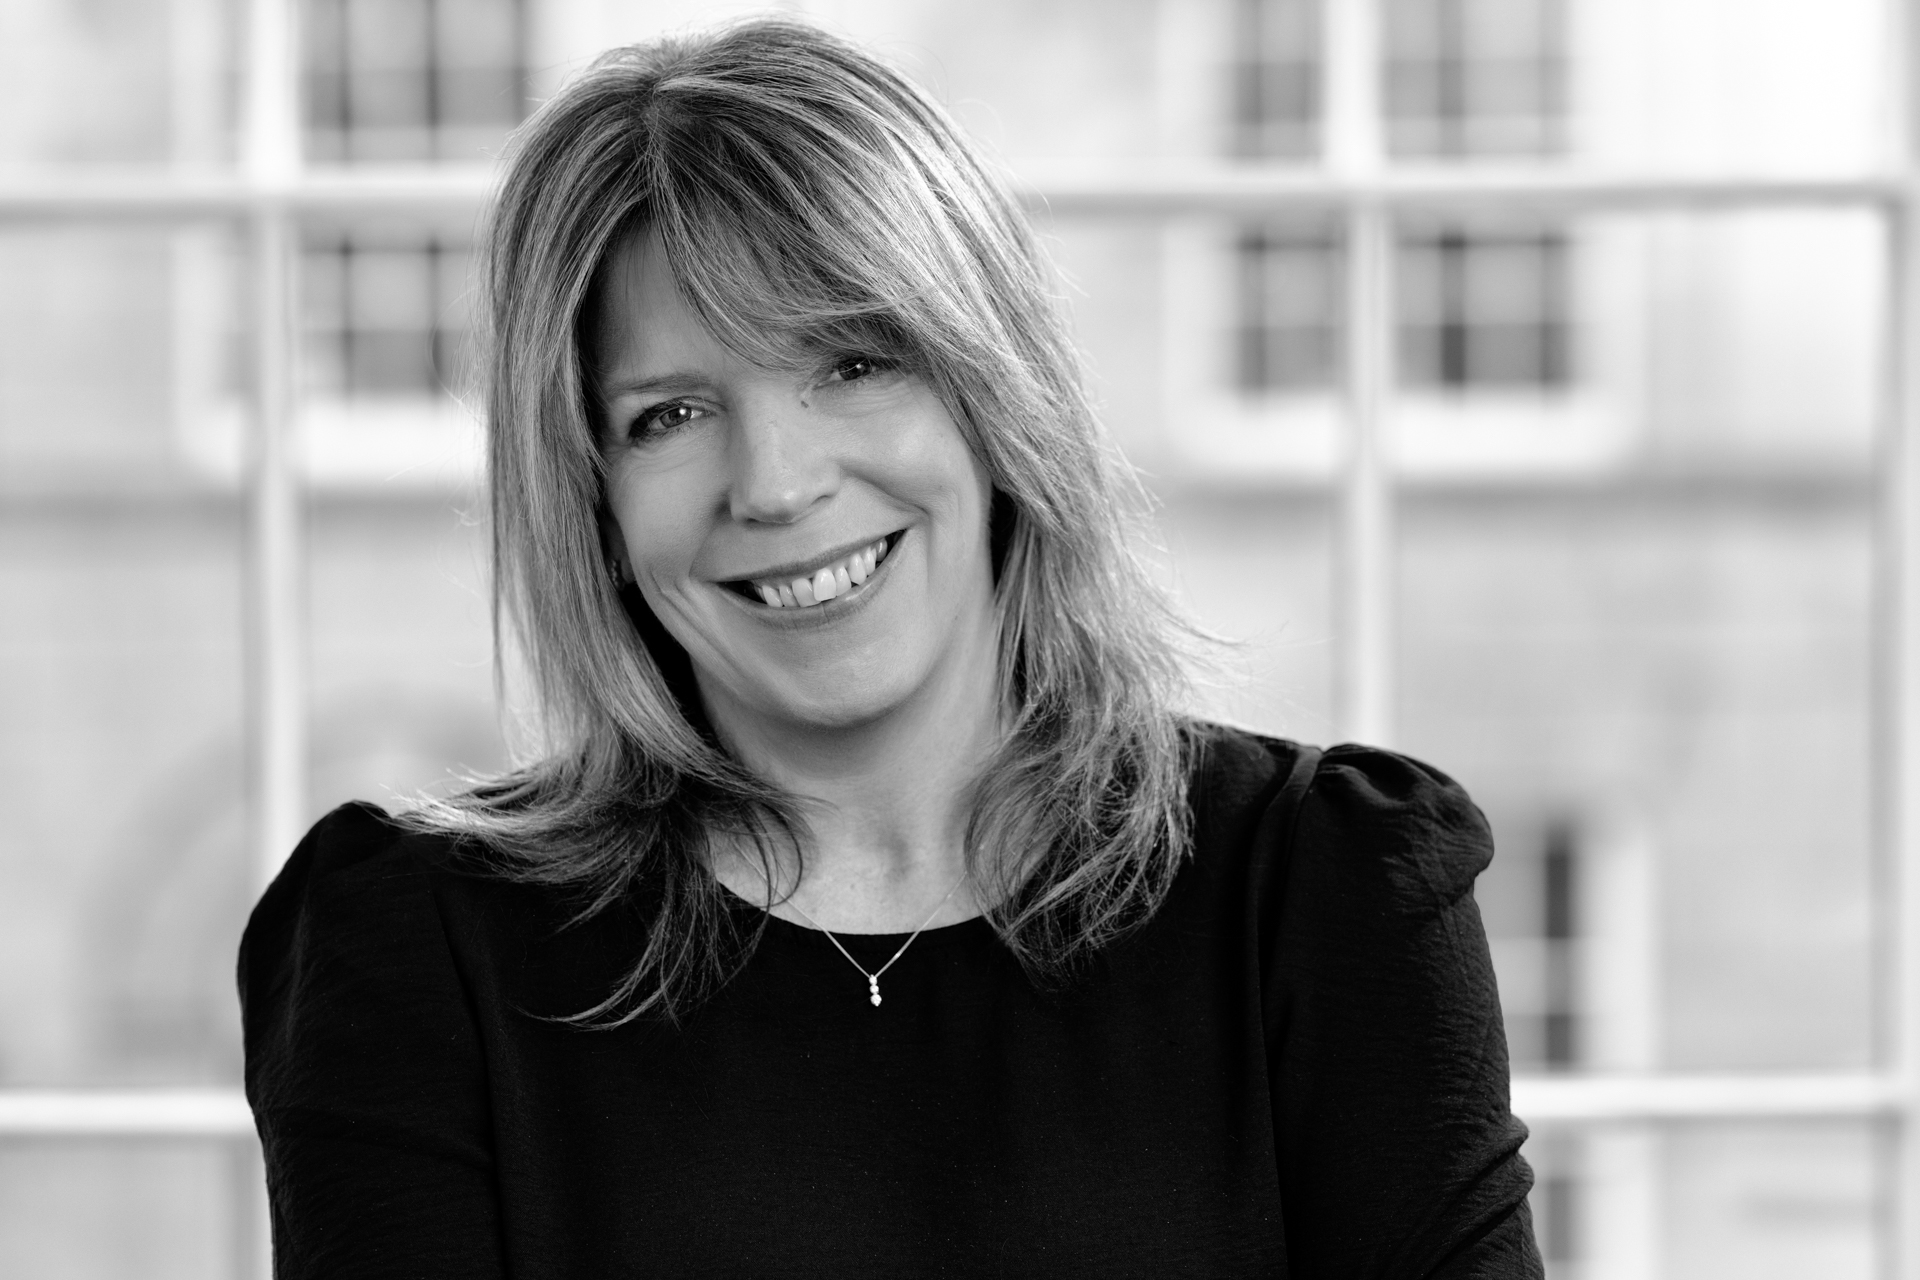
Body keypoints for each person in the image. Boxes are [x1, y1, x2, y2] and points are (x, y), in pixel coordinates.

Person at [240, 17, 1542, 1278]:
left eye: (853, 363)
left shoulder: (1328, 897)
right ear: (590, 495)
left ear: (994, 392)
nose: (778, 483)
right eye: (672, 412)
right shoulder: (410, 952)